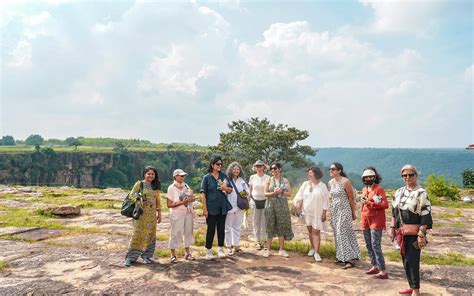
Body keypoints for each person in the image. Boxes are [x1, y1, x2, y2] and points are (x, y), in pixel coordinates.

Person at [390, 164, 433, 296]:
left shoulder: (421, 193)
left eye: (410, 175)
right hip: (401, 232)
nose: (407, 177)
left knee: (413, 260)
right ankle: (411, 285)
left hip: (414, 233)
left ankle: (416, 291)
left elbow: (426, 215)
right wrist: (392, 228)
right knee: (405, 260)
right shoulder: (398, 192)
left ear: (416, 175)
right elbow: (393, 213)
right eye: (404, 175)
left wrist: (421, 234)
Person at [124, 166, 162, 267]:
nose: (150, 176)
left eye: (152, 174)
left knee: (151, 235)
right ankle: (130, 258)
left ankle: (146, 256)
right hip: (140, 214)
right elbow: (131, 195)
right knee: (137, 235)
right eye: (148, 173)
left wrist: (160, 213)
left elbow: (158, 200)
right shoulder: (139, 184)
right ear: (144, 174)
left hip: (151, 215)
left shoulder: (156, 185)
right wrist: (140, 199)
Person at [293, 166, 329, 262]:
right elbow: (299, 195)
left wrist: (325, 212)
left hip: (318, 212)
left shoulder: (322, 186)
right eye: (308, 172)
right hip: (307, 212)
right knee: (310, 231)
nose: (309, 174)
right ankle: (313, 248)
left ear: (316, 174)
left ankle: (317, 252)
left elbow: (326, 200)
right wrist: (297, 204)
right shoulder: (305, 184)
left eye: (311, 173)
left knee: (316, 231)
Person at [328, 162, 360, 269]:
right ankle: (342, 256)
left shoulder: (345, 182)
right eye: (330, 169)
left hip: (344, 209)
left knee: (342, 231)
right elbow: (331, 198)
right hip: (335, 210)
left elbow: (351, 198)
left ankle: (349, 259)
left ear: (339, 171)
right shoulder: (330, 182)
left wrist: (353, 212)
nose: (331, 171)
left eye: (333, 169)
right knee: (337, 232)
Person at [200, 156, 233, 260]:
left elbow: (230, 190)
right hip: (211, 207)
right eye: (217, 164)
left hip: (222, 206)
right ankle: (208, 250)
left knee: (221, 228)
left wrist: (225, 188)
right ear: (212, 165)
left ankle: (220, 249)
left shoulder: (224, 176)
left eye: (221, 164)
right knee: (210, 229)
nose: (220, 166)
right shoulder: (206, 177)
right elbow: (203, 194)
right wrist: (204, 208)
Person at [360, 167, 389, 279]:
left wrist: (370, 203)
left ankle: (382, 270)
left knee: (375, 244)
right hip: (365, 219)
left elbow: (384, 205)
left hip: (376, 220)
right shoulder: (364, 189)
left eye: (370, 177)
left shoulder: (378, 190)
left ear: (374, 177)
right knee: (368, 244)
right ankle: (374, 265)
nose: (368, 179)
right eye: (366, 177)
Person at [263, 162, 294, 258]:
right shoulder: (268, 180)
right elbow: (265, 193)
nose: (274, 171)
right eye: (272, 169)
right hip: (270, 205)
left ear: (279, 169)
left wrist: (281, 192)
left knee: (281, 225)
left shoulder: (285, 180)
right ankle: (268, 249)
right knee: (270, 225)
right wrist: (274, 192)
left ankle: (281, 249)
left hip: (282, 206)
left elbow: (289, 194)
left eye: (276, 169)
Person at [167, 169, 196, 263]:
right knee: (175, 233)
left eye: (184, 176)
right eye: (181, 176)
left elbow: (192, 198)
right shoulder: (171, 188)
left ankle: (187, 253)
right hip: (177, 213)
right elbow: (169, 204)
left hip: (188, 212)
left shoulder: (186, 186)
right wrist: (182, 202)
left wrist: (192, 198)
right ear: (175, 176)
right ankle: (173, 254)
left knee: (188, 232)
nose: (183, 177)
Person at [224, 162, 249, 255]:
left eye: (237, 169)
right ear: (230, 170)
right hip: (229, 206)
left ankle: (236, 245)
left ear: (240, 171)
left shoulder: (242, 181)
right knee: (227, 227)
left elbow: (247, 192)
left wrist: (242, 193)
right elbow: (223, 190)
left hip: (239, 206)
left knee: (237, 227)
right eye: (234, 169)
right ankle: (228, 246)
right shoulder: (227, 180)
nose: (236, 171)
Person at [248, 160, 270, 250]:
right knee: (256, 222)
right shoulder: (252, 177)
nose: (259, 168)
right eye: (257, 166)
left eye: (260, 166)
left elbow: (269, 190)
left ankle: (265, 241)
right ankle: (257, 241)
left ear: (264, 167)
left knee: (265, 222)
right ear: (255, 167)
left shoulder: (268, 177)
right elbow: (250, 190)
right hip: (254, 201)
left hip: (265, 201)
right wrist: (248, 199)